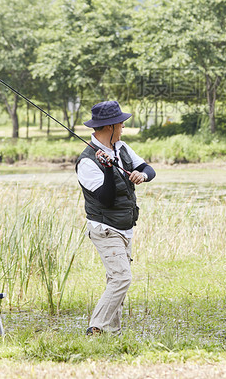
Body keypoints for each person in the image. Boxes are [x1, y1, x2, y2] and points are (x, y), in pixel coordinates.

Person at [75, 100, 155, 336]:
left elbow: (148, 167)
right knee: (122, 278)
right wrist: (109, 169)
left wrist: (142, 175)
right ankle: (96, 327)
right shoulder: (87, 162)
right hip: (105, 228)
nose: (122, 129)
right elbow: (105, 199)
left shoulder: (121, 148)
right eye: (120, 124)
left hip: (125, 226)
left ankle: (112, 333)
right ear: (110, 127)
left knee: (115, 281)